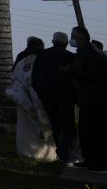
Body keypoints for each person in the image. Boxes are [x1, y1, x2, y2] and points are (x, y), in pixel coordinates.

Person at [69, 26, 107, 172]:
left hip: (95, 99)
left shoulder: (91, 52)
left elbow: (95, 75)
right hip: (87, 98)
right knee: (86, 131)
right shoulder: (85, 51)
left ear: (81, 36)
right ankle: (89, 159)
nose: (72, 38)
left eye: (74, 35)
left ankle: (101, 163)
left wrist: (71, 70)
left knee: (97, 132)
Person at [32, 31, 79, 163]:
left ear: (53, 42)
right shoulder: (70, 56)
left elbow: (34, 77)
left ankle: (62, 152)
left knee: (56, 124)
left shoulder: (42, 55)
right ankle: (69, 153)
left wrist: (40, 93)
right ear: (66, 44)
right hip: (66, 96)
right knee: (68, 124)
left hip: (47, 96)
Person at [6, 36, 55, 160]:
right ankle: (47, 154)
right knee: (44, 126)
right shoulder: (45, 61)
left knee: (25, 127)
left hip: (23, 101)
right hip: (42, 100)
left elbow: (14, 78)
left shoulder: (21, 62)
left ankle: (25, 151)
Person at [90, 40, 107, 143]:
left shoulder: (104, 59)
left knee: (106, 115)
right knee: (106, 115)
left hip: (104, 92)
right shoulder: (105, 59)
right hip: (105, 92)